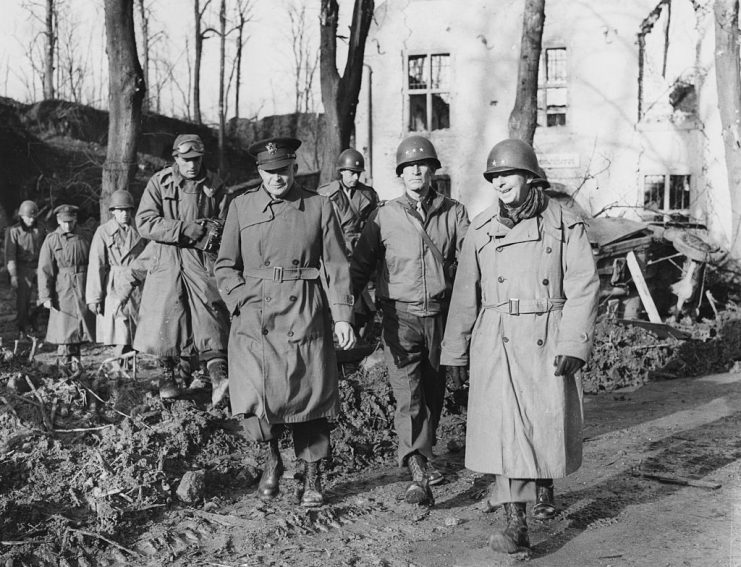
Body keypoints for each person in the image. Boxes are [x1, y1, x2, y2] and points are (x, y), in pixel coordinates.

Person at [440, 138, 599, 554]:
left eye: (508, 174)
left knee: (542, 426)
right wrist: (455, 350)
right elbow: (464, 294)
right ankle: (516, 524)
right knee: (506, 433)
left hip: (548, 331)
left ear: (530, 177)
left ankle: (543, 484)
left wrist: (574, 342)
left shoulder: (564, 222)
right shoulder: (481, 227)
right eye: (494, 177)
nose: (500, 182)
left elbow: (584, 285)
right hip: (497, 337)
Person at [215, 136, 355, 508]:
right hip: (255, 313)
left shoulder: (318, 205)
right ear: (258, 171)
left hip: (303, 311)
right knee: (255, 395)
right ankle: (272, 458)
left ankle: (312, 475)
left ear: (294, 167)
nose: (277, 178)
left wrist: (342, 316)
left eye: (283, 170)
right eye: (268, 171)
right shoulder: (241, 206)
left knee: (309, 396)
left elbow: (338, 266)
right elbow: (225, 265)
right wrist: (240, 297)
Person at [351, 134, 470, 504]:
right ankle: (417, 468)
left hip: (440, 316)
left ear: (433, 170)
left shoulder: (454, 213)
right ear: (400, 174)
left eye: (423, 165)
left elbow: (471, 264)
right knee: (409, 395)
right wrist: (352, 313)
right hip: (398, 319)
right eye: (408, 167)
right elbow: (359, 267)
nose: (416, 171)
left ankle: (425, 450)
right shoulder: (383, 216)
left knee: (434, 392)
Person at [133, 134, 230, 403]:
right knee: (167, 316)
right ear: (175, 158)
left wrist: (213, 230)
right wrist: (184, 229)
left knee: (210, 314)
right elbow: (144, 222)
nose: (192, 165)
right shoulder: (159, 182)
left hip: (201, 260)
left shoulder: (215, 184)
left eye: (197, 160)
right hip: (167, 259)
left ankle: (219, 376)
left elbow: (227, 222)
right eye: (186, 160)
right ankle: (168, 375)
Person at [318, 148, 380, 336]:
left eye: (358, 174)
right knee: (336, 294)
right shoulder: (325, 194)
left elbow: (375, 224)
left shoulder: (368, 195)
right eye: (351, 173)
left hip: (360, 250)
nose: (354, 177)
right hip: (335, 248)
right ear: (341, 172)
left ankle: (360, 338)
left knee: (363, 296)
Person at [85, 190, 145, 368]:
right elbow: (96, 265)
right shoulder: (103, 232)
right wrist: (94, 298)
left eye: (127, 210)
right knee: (120, 332)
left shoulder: (140, 230)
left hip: (137, 288)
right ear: (112, 211)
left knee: (134, 334)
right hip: (114, 285)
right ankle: (119, 372)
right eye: (120, 210)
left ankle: (128, 371)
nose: (124, 214)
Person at [37, 204, 95, 368]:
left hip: (83, 286)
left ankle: (76, 368)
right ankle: (64, 369)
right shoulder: (52, 240)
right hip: (63, 289)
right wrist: (45, 296)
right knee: (64, 332)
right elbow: (44, 270)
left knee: (78, 331)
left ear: (75, 219)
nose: (67, 225)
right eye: (64, 222)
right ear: (58, 220)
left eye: (70, 221)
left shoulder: (85, 236)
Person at [4, 200, 46, 338]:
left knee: (44, 296)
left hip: (39, 266)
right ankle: (22, 327)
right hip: (22, 268)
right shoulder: (14, 231)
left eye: (34, 217)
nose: (31, 219)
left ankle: (33, 318)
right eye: (28, 217)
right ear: (21, 216)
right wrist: (13, 275)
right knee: (23, 301)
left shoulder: (40, 229)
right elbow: (10, 254)